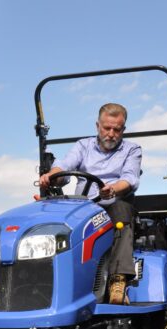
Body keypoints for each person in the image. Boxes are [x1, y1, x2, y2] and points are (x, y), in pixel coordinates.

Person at [39, 103, 141, 305]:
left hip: (113, 203)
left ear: (123, 130)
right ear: (97, 126)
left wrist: (113, 189)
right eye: (107, 128)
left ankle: (117, 280)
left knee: (122, 210)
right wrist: (52, 176)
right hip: (83, 207)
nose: (111, 133)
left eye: (116, 129)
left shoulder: (132, 149)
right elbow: (64, 167)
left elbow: (129, 179)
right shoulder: (83, 146)